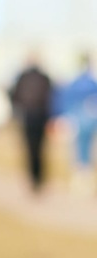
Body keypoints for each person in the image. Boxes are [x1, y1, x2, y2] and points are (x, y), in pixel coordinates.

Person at [9, 58, 54, 191]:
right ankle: (39, 177)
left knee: (30, 149)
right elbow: (53, 96)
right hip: (41, 116)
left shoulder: (24, 77)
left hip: (28, 115)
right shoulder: (44, 77)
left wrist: (18, 109)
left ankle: (33, 177)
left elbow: (13, 94)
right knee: (40, 149)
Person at [57, 54, 97, 194]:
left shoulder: (75, 83)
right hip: (87, 121)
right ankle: (83, 181)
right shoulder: (91, 83)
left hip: (79, 121)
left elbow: (65, 103)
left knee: (79, 151)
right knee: (86, 151)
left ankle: (80, 182)